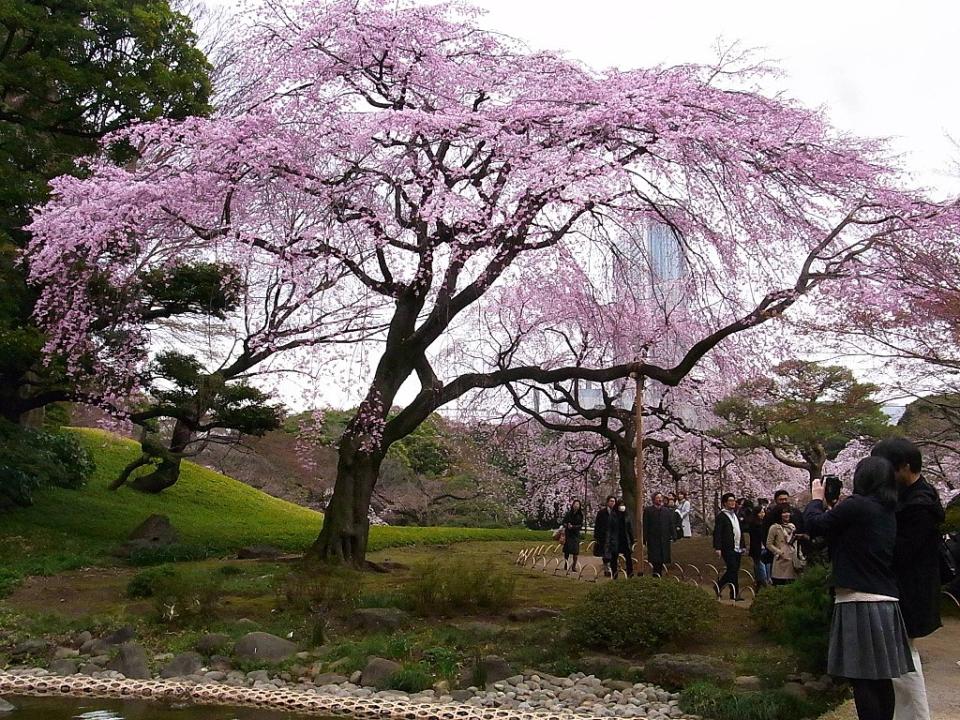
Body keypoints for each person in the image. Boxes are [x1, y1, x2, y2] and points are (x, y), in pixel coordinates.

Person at [803, 457, 914, 720]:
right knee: (881, 677)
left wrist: (816, 499)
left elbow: (815, 525)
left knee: (862, 678)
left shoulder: (857, 506)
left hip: (858, 599)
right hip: (886, 599)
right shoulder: (887, 510)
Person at [871, 438, 945, 720]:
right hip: (908, 589)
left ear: (904, 467)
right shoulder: (917, 497)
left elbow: (901, 551)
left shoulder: (919, 506)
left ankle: (916, 717)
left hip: (910, 592)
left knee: (903, 663)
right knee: (901, 662)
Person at [713, 493, 746, 600]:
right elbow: (717, 533)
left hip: (737, 546)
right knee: (732, 568)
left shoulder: (735, 515)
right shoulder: (721, 516)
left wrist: (743, 545)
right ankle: (734, 593)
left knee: (734, 569)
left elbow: (739, 531)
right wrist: (718, 547)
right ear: (724, 503)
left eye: (734, 500)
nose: (733, 503)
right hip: (727, 547)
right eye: (730, 501)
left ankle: (719, 586)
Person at [766, 504, 798, 585]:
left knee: (791, 584)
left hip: (792, 558)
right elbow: (769, 544)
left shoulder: (792, 526)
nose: (787, 514)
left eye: (788, 512)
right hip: (780, 559)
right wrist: (779, 552)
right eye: (784, 513)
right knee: (780, 583)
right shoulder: (774, 527)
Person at [643, 492, 674, 575]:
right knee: (655, 558)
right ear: (654, 499)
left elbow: (670, 523)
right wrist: (644, 539)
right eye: (657, 498)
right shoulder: (648, 510)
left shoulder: (666, 511)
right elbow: (646, 525)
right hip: (653, 539)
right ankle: (656, 574)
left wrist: (673, 534)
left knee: (662, 558)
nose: (660, 499)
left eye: (661, 498)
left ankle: (658, 574)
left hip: (664, 538)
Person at [593, 495, 618, 577]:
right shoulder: (601, 513)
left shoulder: (617, 513)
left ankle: (611, 568)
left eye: (614, 501)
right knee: (605, 553)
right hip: (604, 535)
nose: (612, 503)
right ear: (607, 502)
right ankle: (606, 568)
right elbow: (597, 525)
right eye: (611, 501)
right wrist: (596, 536)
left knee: (613, 553)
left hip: (613, 536)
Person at [746, 505, 770, 587]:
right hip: (757, 550)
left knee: (766, 570)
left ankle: (759, 587)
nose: (762, 514)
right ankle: (766, 587)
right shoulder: (753, 524)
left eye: (763, 512)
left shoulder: (766, 524)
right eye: (760, 513)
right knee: (762, 571)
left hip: (766, 549)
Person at [611, 499, 635, 578]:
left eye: (623, 505)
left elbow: (629, 529)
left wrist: (632, 540)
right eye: (620, 505)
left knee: (628, 558)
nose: (622, 507)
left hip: (625, 539)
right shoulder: (613, 515)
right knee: (614, 558)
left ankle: (630, 574)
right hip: (616, 539)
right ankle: (614, 575)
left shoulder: (627, 516)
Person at [561, 500, 584, 572]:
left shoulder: (580, 515)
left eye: (578, 504)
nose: (576, 506)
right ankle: (566, 563)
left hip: (575, 534)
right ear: (573, 505)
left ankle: (574, 566)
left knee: (575, 551)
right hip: (568, 534)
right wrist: (567, 525)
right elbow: (563, 522)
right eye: (575, 504)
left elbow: (580, 526)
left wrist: (573, 527)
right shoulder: (568, 514)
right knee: (567, 550)